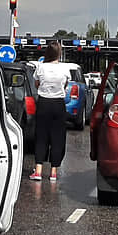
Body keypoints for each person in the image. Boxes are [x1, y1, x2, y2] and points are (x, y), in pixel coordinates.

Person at [31, 42, 71, 182]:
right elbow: (65, 85)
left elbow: (37, 84)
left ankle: (38, 170)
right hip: (58, 104)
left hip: (43, 103)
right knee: (57, 137)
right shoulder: (65, 69)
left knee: (41, 136)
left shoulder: (40, 67)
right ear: (59, 54)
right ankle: (53, 172)